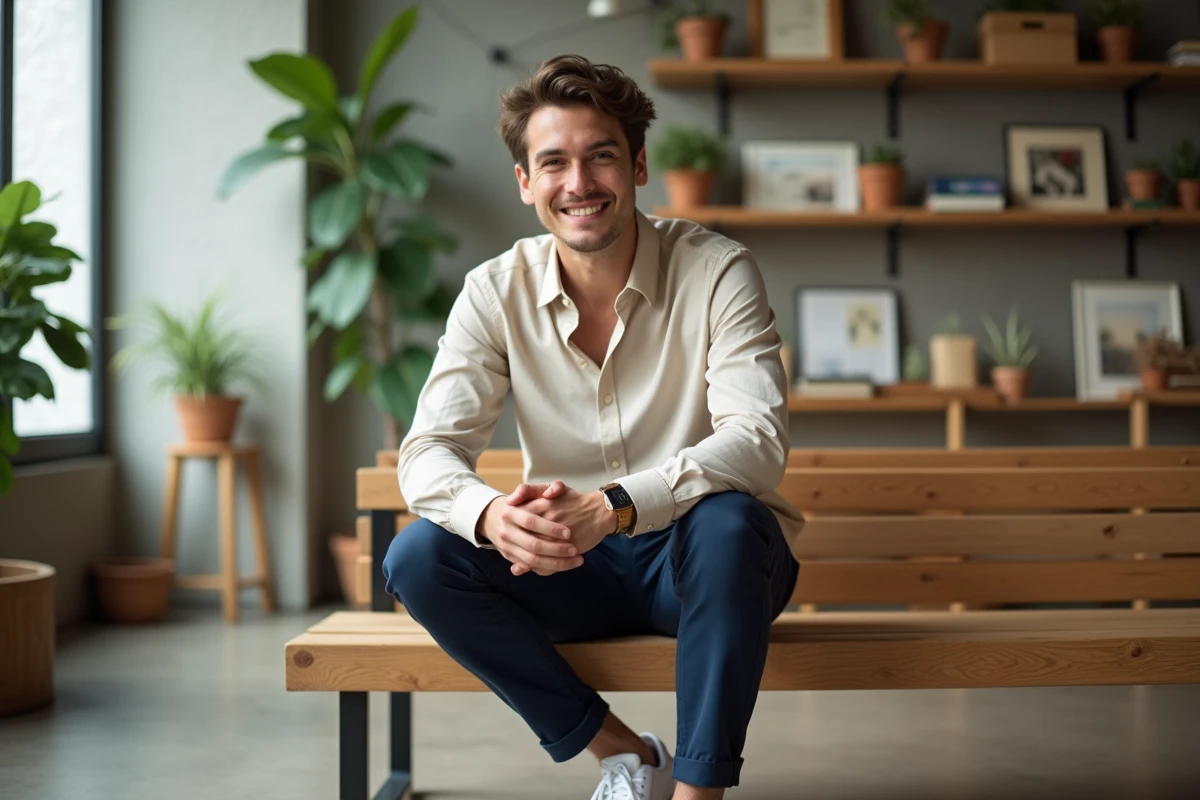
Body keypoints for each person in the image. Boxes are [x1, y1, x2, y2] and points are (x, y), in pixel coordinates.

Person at [383, 53, 804, 800]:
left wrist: (616, 506)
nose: (578, 183)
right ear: (526, 182)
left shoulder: (718, 271)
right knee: (418, 557)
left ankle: (698, 794)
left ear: (638, 166)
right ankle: (627, 755)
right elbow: (427, 452)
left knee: (731, 523)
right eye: (553, 163)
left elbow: (757, 441)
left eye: (600, 156)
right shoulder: (493, 292)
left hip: (699, 568)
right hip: (565, 567)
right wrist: (489, 517)